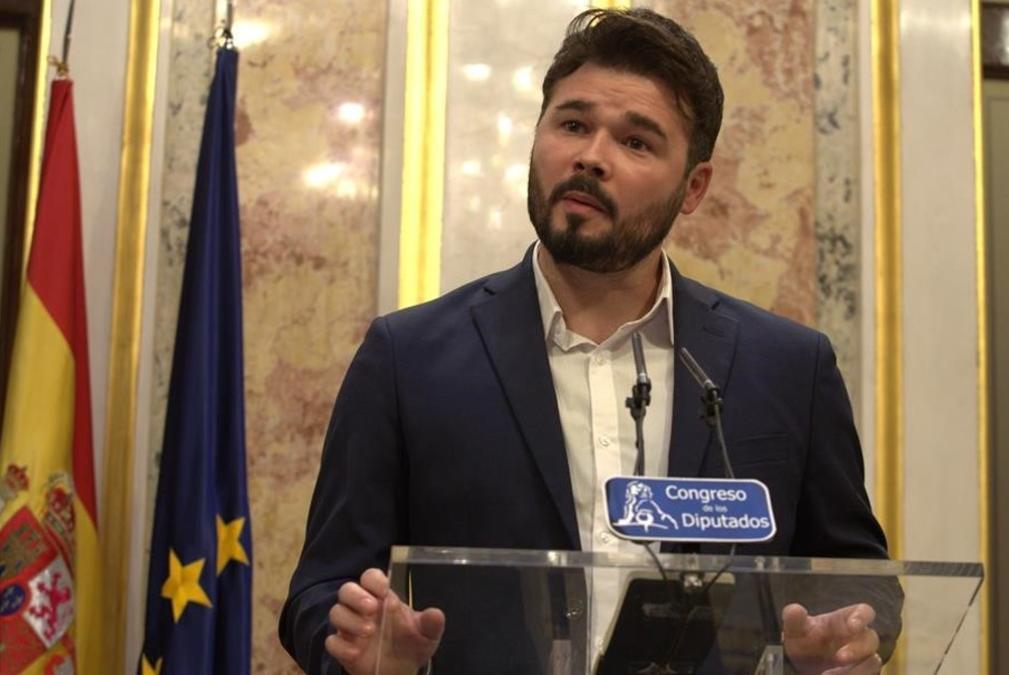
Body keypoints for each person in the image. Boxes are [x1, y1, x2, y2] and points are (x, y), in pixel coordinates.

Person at [280, 8, 893, 674]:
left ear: (694, 188)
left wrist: (846, 629)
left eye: (636, 142)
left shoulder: (787, 367)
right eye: (572, 124)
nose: (591, 157)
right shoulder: (408, 357)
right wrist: (359, 647)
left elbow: (857, 575)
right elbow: (320, 590)